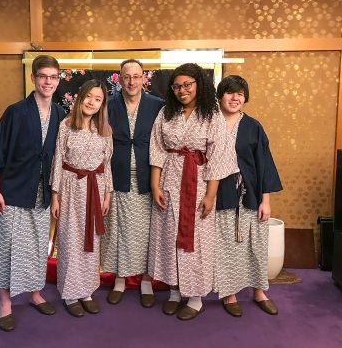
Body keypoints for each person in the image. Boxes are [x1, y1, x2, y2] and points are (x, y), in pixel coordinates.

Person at [0, 55, 66, 332]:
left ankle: (34, 293)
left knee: (38, 247)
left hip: (40, 193)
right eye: (43, 76)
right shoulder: (15, 112)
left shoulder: (60, 115)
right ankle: (4, 302)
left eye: (53, 77)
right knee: (7, 247)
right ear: (33, 78)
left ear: (58, 79)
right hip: (13, 191)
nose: (48, 82)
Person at [148, 63, 237, 321]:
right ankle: (175, 292)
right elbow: (157, 149)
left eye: (187, 84)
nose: (182, 90)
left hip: (197, 183)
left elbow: (218, 157)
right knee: (169, 236)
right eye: (177, 86)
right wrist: (155, 184)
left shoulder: (212, 115)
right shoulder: (167, 112)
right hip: (168, 181)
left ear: (199, 84)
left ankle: (196, 297)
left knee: (196, 240)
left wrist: (210, 195)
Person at [214, 75, 283, 317]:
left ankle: (259, 291)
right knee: (225, 245)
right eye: (230, 92)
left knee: (256, 245)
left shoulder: (254, 127)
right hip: (220, 195)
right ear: (220, 95)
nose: (235, 98)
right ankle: (229, 292)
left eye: (240, 94)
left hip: (251, 195)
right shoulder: (210, 123)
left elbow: (265, 165)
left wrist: (266, 201)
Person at [100, 59, 164, 307]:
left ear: (143, 79)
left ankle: (146, 281)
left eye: (136, 76)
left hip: (149, 178)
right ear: (119, 78)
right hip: (117, 175)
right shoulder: (108, 104)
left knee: (149, 233)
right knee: (117, 230)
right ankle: (120, 279)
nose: (132, 82)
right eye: (127, 77)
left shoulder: (158, 106)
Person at [50, 79, 113, 318]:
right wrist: (55, 196)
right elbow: (57, 160)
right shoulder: (66, 125)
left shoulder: (104, 130)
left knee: (92, 241)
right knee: (70, 241)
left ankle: (86, 291)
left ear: (102, 104)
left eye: (98, 99)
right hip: (70, 186)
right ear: (80, 97)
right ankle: (70, 293)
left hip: (95, 188)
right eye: (89, 97)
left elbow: (106, 165)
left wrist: (107, 194)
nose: (92, 102)